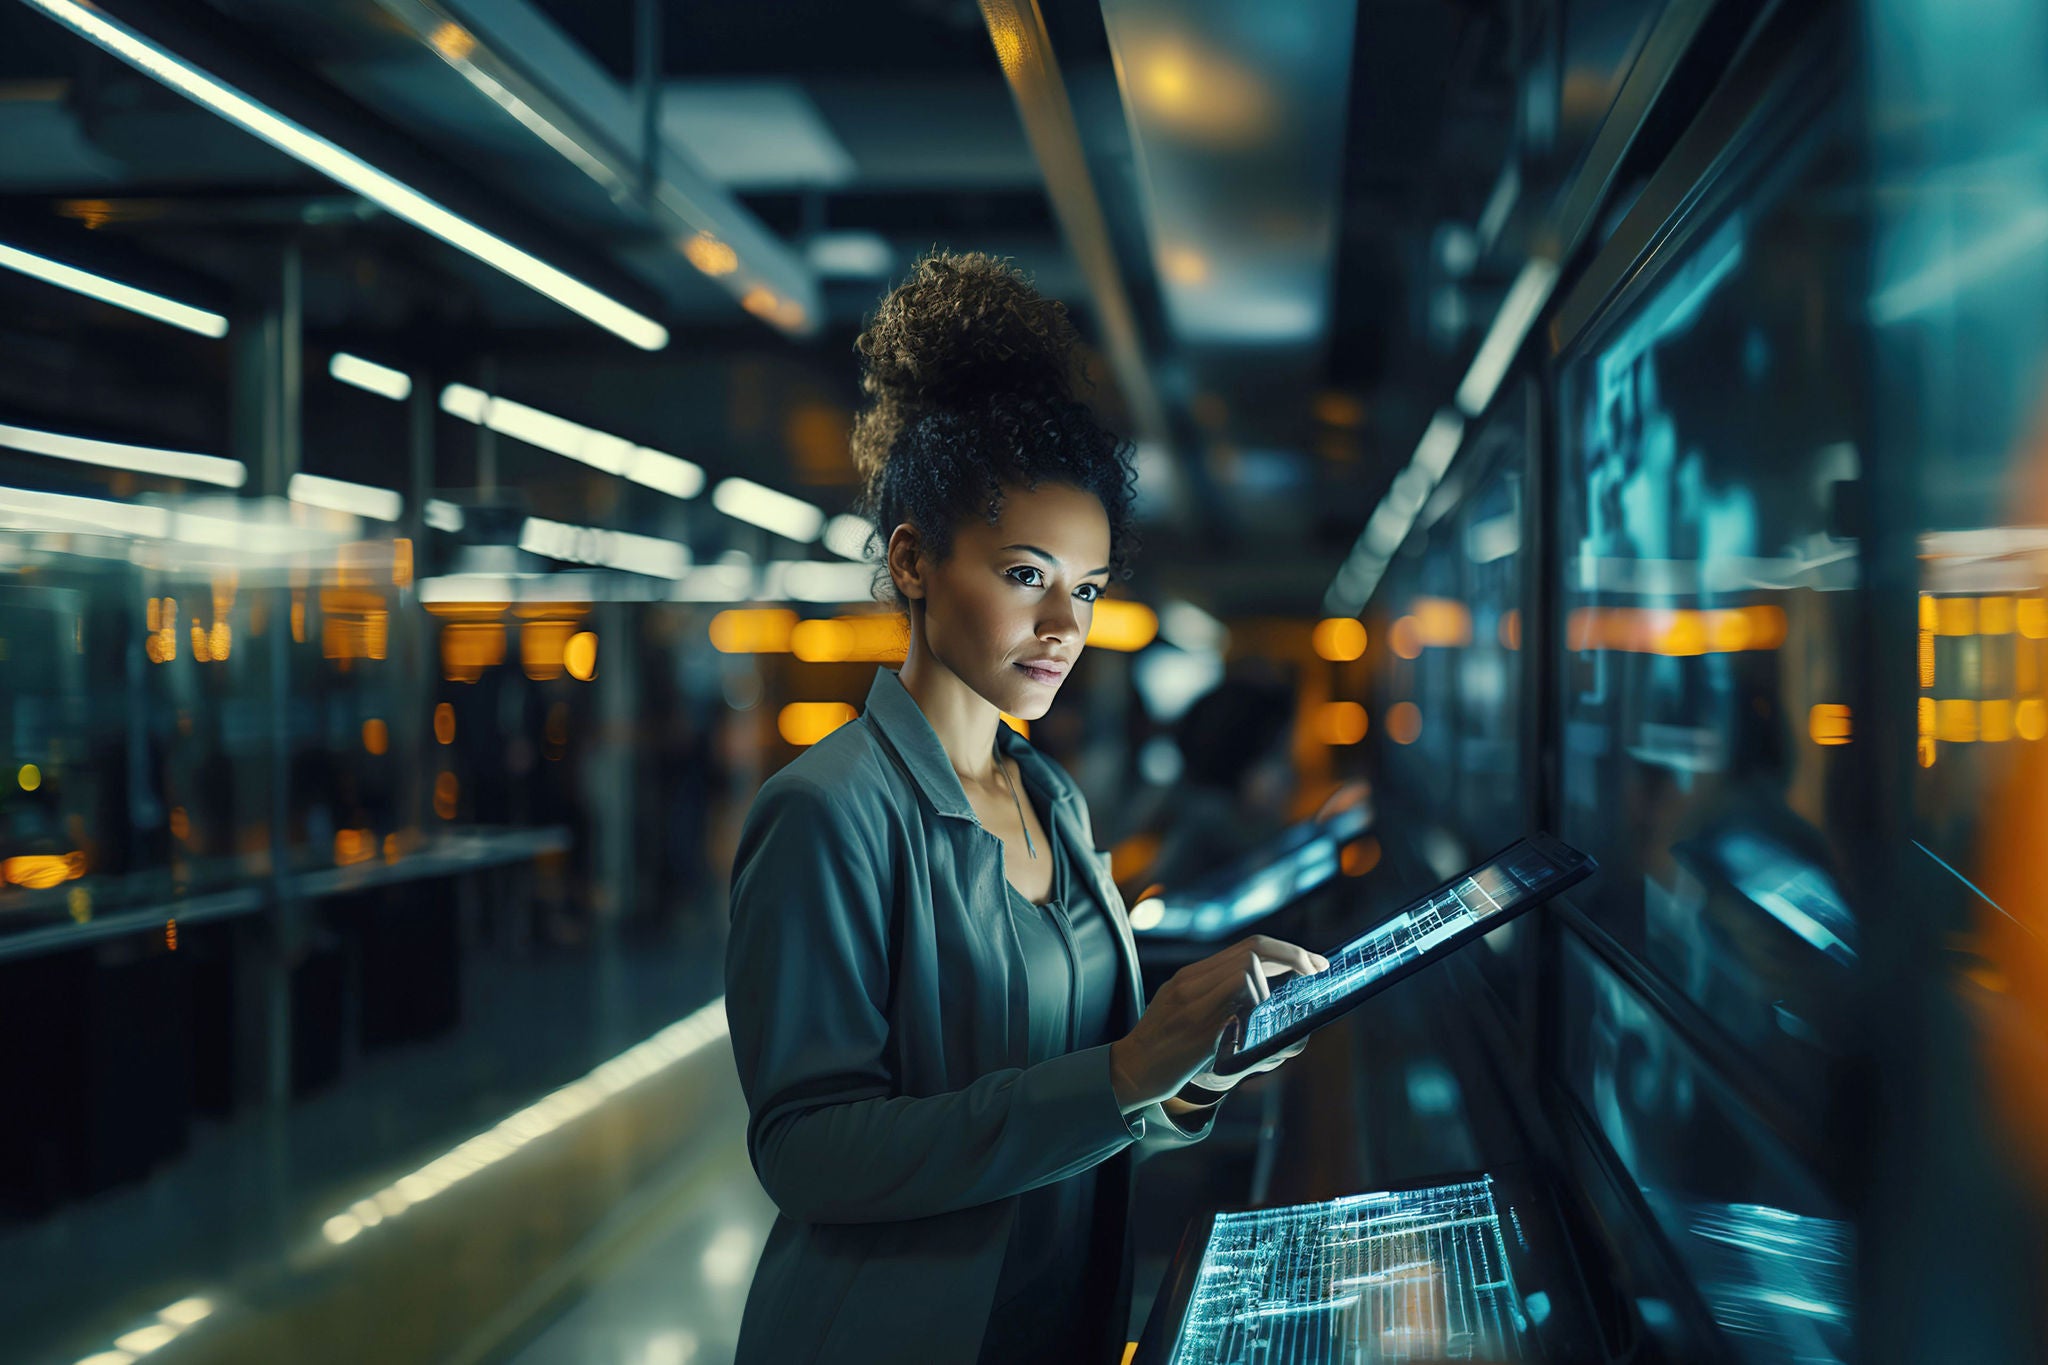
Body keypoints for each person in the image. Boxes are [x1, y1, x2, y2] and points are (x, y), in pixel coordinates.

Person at [723, 251, 1329, 1364]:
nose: (1064, 624)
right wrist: (1126, 1071)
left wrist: (1190, 1076)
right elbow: (805, 1151)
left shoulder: (1047, 797)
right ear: (912, 560)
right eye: (1023, 574)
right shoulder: (827, 812)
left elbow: (1091, 1106)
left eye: (1087, 589)